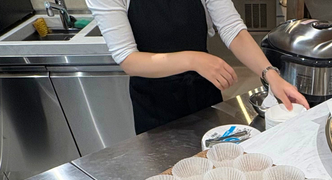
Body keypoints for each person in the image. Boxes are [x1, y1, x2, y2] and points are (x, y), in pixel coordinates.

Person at [86, 0, 309, 134]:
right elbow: (128, 59)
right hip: (155, 103)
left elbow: (231, 28)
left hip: (203, 94)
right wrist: (193, 60)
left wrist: (271, 75)